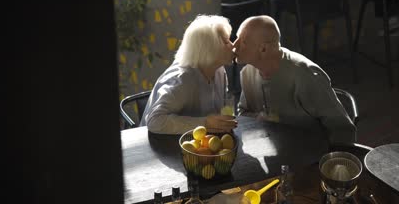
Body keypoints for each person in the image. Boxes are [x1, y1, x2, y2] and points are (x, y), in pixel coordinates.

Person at [233, 15, 356, 144]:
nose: (234, 45)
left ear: (263, 49)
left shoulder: (305, 76)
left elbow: (343, 130)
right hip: (273, 150)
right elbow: (243, 114)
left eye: (243, 41)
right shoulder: (247, 73)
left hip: (312, 153)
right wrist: (259, 118)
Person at [140, 15, 238, 134]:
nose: (233, 46)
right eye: (226, 42)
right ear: (209, 48)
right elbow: (154, 121)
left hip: (199, 145)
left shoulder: (219, 71)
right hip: (160, 146)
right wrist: (205, 123)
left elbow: (218, 113)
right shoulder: (181, 79)